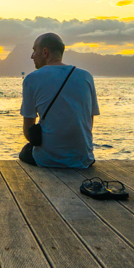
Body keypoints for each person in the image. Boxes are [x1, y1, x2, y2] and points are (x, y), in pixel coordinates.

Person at [18, 32, 99, 168]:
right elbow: (88, 123)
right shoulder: (86, 76)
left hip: (47, 160)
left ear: (45, 52)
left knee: (25, 152)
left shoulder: (32, 79)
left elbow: (28, 131)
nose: (32, 56)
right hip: (83, 160)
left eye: (34, 51)